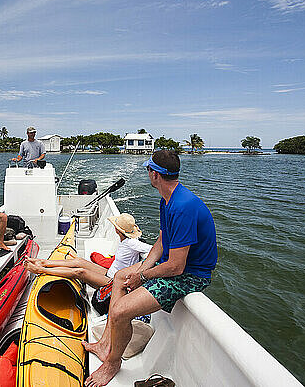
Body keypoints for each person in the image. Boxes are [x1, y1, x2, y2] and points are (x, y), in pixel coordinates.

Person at [84, 150, 218, 387]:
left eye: (148, 170)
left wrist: (143, 276)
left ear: (154, 174)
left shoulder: (183, 206)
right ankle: (105, 344)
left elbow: (177, 267)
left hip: (190, 275)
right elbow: (161, 242)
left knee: (120, 311)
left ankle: (113, 362)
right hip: (172, 265)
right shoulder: (167, 200)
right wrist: (139, 272)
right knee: (120, 277)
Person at [24, 213, 151, 289]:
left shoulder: (132, 243)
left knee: (80, 272)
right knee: (79, 260)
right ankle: (43, 262)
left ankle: (41, 270)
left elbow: (152, 250)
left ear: (117, 230)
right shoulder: (124, 240)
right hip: (109, 273)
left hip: (113, 283)